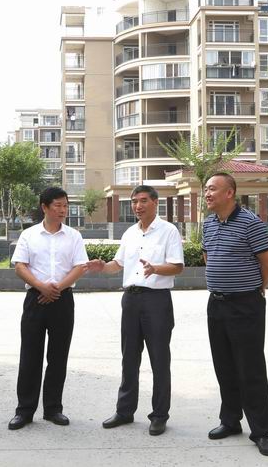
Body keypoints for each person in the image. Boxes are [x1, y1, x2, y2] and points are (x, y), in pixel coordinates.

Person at [86, 185, 184, 436]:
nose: (137, 206)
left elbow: (177, 266)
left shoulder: (168, 231)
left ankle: (159, 415)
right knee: (129, 357)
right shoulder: (130, 233)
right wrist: (102, 266)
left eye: (143, 201)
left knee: (159, 359)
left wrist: (156, 268)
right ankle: (125, 411)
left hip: (156, 301)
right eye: (134, 202)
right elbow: (117, 264)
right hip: (130, 300)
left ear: (155, 202)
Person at [202, 172, 268, 457]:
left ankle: (262, 431)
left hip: (245, 305)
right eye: (206, 189)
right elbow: (207, 256)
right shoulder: (208, 223)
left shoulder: (251, 223)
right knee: (224, 366)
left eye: (212, 189)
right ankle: (231, 420)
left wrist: (257, 289)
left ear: (230, 192)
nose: (207, 193)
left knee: (250, 368)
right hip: (216, 304)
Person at [8, 187, 88, 430]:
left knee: (58, 356)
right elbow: (20, 266)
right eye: (58, 205)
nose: (63, 210)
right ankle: (24, 411)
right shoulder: (29, 235)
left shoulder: (73, 236)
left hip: (63, 300)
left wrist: (57, 288)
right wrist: (41, 286)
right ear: (44, 207)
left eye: (65, 205)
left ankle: (53, 409)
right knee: (30, 356)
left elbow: (80, 266)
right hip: (35, 299)